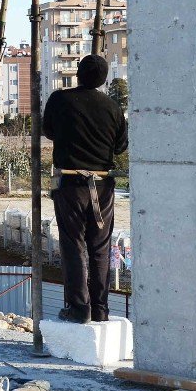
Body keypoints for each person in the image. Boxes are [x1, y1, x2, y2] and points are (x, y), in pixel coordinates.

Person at [42, 55, 128, 323]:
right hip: (103, 186)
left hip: (71, 185)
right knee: (100, 247)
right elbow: (120, 146)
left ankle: (79, 309)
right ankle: (100, 310)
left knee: (73, 244)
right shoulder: (113, 108)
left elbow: (49, 131)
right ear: (103, 79)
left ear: (78, 74)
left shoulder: (60, 100)